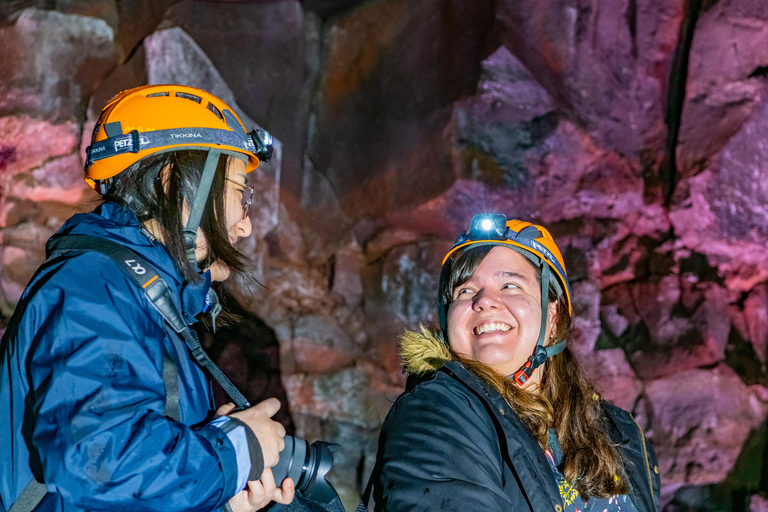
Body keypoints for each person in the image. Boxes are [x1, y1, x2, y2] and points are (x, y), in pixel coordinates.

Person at [0, 85, 295, 512]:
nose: (245, 226)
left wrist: (220, 502)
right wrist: (233, 452)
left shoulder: (142, 300)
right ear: (173, 184)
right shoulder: (93, 288)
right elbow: (97, 466)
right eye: (239, 194)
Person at [360, 214, 661, 512]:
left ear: (552, 317)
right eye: (464, 291)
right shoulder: (434, 414)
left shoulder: (619, 432)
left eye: (509, 286)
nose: (484, 300)